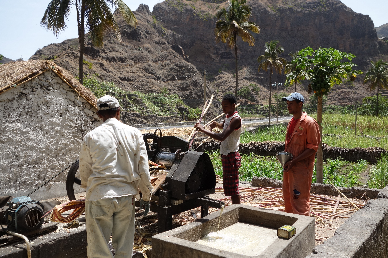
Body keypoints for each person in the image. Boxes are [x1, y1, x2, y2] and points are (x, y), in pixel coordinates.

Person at [79, 95, 153, 258]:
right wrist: (146, 196)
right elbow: (143, 169)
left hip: (99, 196)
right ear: (119, 112)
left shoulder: (91, 137)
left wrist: (87, 188)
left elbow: (84, 170)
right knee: (124, 248)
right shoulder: (134, 133)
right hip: (126, 197)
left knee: (99, 250)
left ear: (99, 115)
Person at [195, 94, 242, 204]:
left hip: (231, 156)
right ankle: (235, 208)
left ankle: (238, 209)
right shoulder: (228, 117)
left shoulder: (236, 119)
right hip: (226, 154)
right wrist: (217, 125)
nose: (223, 108)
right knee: (230, 186)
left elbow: (221, 137)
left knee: (233, 188)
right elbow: (224, 125)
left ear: (233, 105)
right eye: (222, 106)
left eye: (225, 106)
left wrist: (203, 130)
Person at [281, 92, 320, 216]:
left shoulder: (309, 123)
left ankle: (302, 229)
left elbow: (313, 148)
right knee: (288, 197)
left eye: (291, 104)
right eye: (287, 104)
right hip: (289, 167)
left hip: (301, 169)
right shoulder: (292, 122)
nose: (288, 106)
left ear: (300, 104)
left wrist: (294, 161)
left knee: (299, 200)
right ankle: (290, 225)